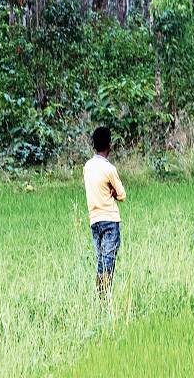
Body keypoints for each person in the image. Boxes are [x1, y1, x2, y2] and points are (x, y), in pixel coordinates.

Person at [83, 126, 126, 300]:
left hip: (94, 221)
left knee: (100, 261)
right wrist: (112, 192)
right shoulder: (110, 169)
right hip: (110, 219)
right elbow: (122, 195)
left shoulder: (87, 166)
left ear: (94, 145)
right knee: (108, 263)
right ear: (109, 145)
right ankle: (104, 299)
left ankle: (100, 298)